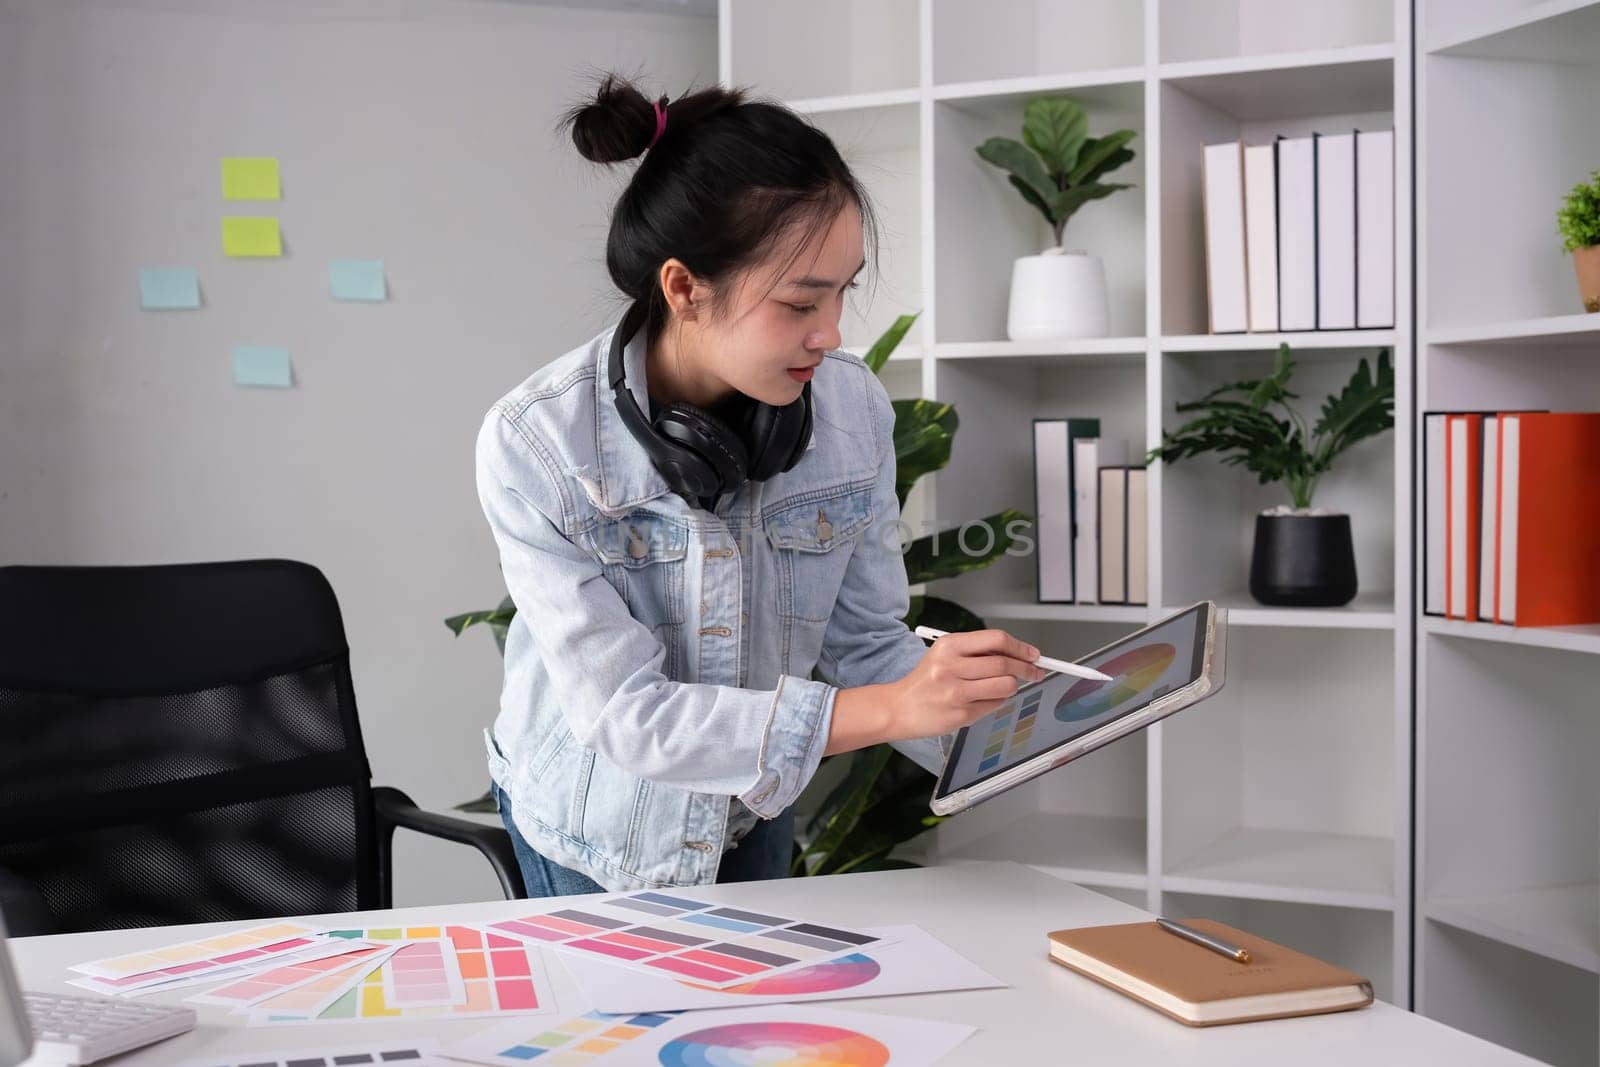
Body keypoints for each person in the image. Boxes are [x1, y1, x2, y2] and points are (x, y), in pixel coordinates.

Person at [474, 73, 1046, 897]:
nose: (833, 332)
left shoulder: (851, 412)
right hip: (595, 829)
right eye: (799, 302)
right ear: (683, 289)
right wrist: (890, 711)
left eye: (843, 291)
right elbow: (628, 715)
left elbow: (865, 644)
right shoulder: (537, 445)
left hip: (750, 805)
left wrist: (1002, 723)